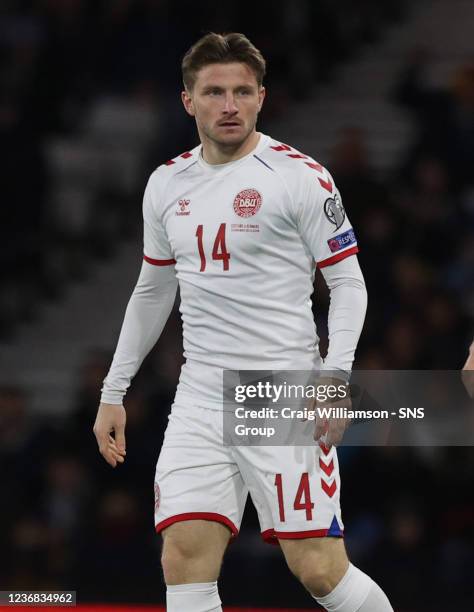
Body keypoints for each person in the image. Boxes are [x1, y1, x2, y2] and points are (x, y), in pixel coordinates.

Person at [93, 32, 393, 612]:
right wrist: (114, 390)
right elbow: (153, 290)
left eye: (241, 91)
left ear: (261, 98)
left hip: (279, 395)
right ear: (188, 101)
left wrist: (333, 378)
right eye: (213, 92)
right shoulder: (166, 184)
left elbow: (349, 283)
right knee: (183, 558)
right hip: (200, 395)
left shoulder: (299, 177)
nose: (228, 104)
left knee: (319, 571)